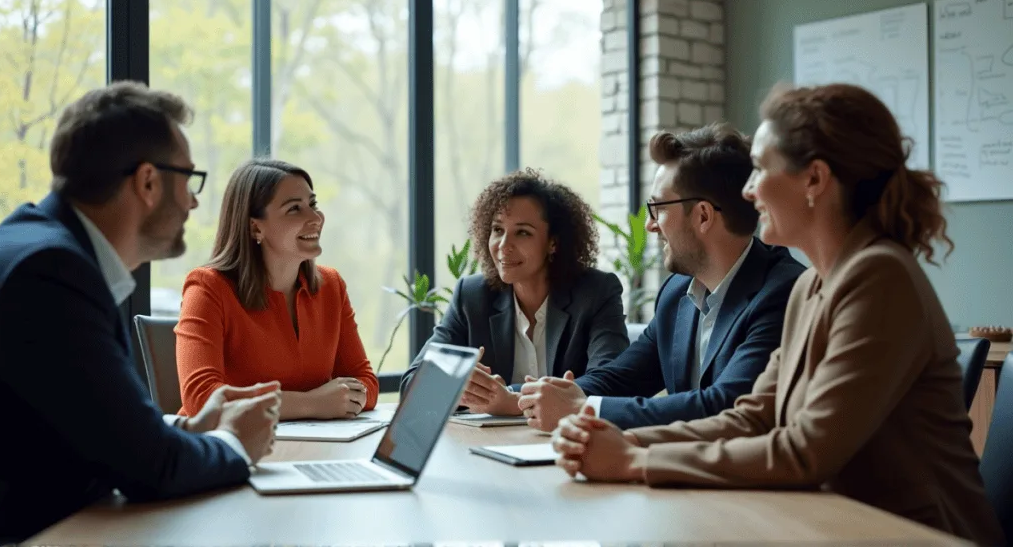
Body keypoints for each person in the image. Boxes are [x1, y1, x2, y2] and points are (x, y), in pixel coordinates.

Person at [550, 83, 1004, 545]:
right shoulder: (812, 285)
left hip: (912, 535)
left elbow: (806, 451)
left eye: (761, 169)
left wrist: (634, 462)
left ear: (814, 180)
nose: (747, 191)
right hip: (830, 525)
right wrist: (621, 439)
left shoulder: (879, 276)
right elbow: (752, 417)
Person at [0, 82, 281, 543]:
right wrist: (234, 444)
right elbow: (151, 469)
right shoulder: (51, 273)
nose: (193, 201)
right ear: (148, 182)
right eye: (188, 179)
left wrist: (184, 426)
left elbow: (83, 422)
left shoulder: (34, 243)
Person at [519, 124, 805, 431]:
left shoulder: (784, 293)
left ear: (703, 216)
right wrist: (537, 394)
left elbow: (726, 405)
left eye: (658, 208)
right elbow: (624, 376)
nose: (650, 226)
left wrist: (582, 408)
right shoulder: (677, 292)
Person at [399, 168, 629, 416]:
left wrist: (511, 398)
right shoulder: (472, 296)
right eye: (498, 230)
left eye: (522, 232)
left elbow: (611, 383)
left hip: (567, 443)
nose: (503, 246)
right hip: (489, 446)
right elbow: (412, 384)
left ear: (553, 243)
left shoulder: (595, 293)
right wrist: (458, 387)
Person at [175, 159, 379, 420]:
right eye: (295, 209)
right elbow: (202, 399)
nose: (315, 218)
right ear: (255, 226)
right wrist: (312, 404)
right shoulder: (207, 288)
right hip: (227, 452)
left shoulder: (332, 286)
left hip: (310, 450)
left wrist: (345, 396)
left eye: (312, 205)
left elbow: (366, 383)